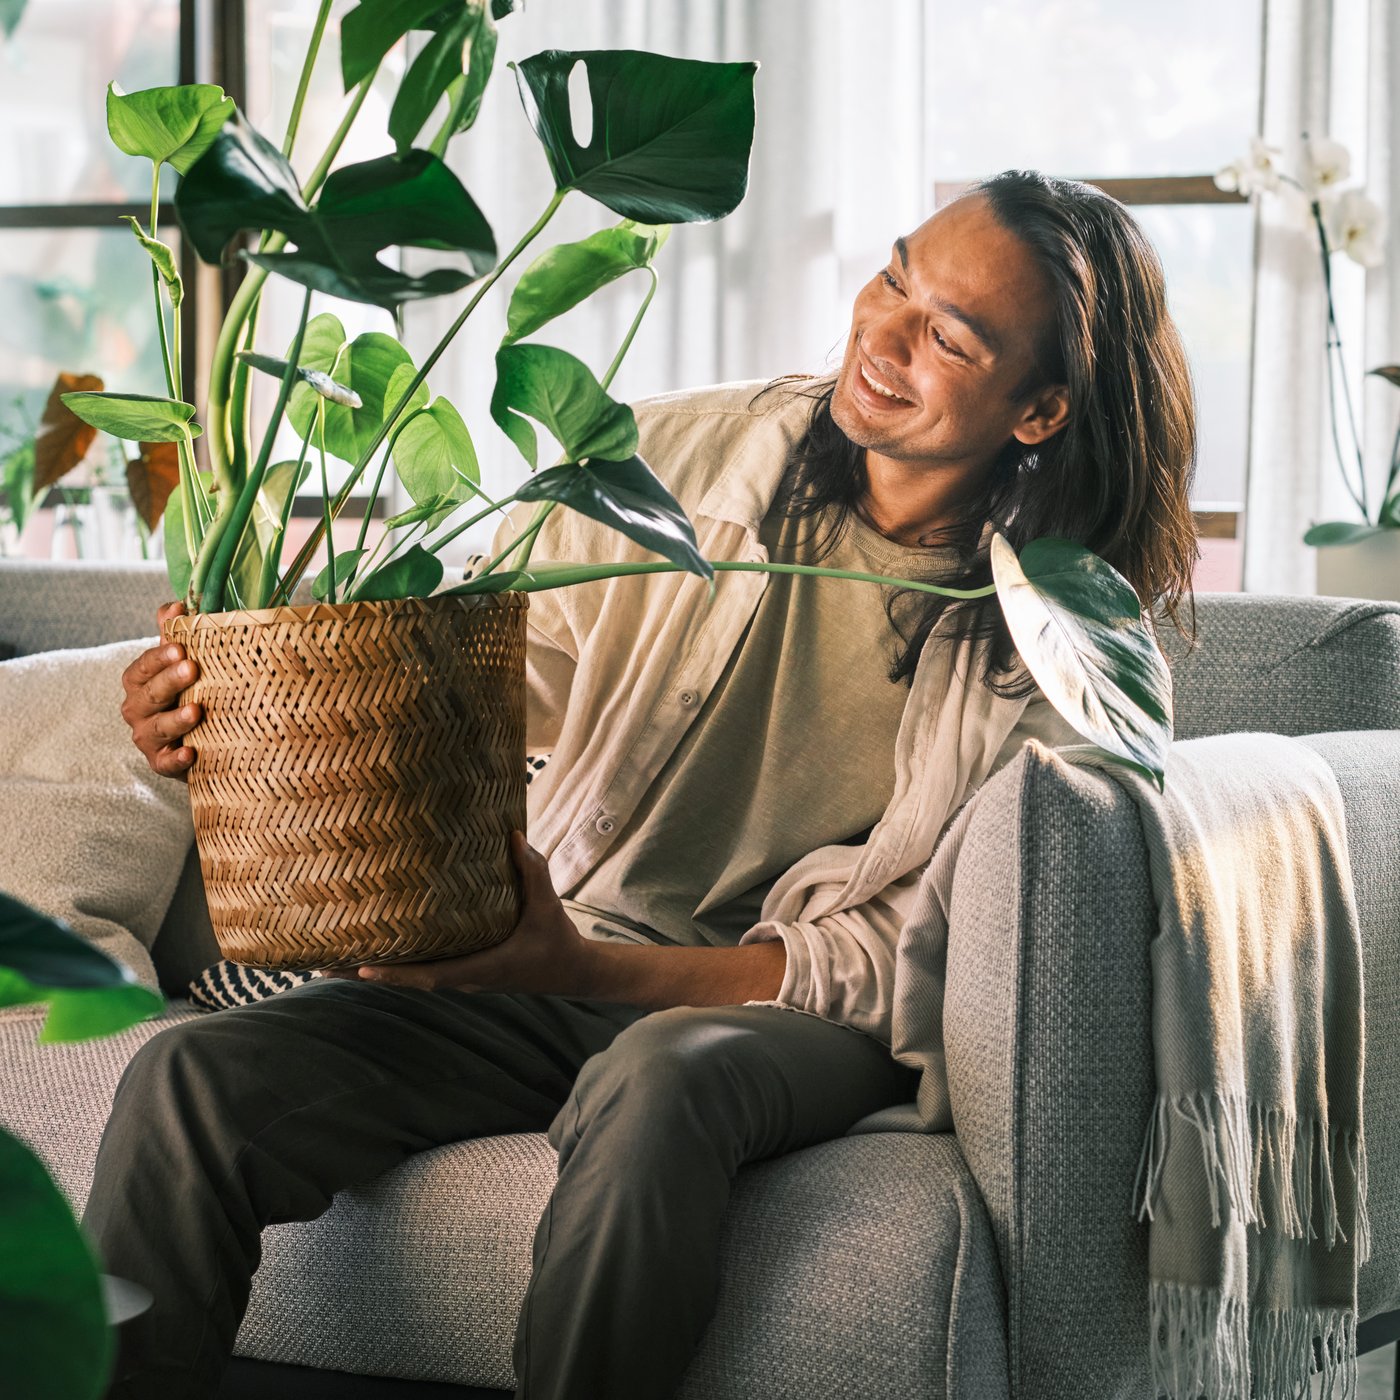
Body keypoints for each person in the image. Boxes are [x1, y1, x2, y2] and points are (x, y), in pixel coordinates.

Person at [90, 169, 1198, 1399]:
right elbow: (493, 686)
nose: (880, 335)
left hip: (793, 1018)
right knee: (188, 1077)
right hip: (561, 953)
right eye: (894, 276)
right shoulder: (674, 455)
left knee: (661, 1073)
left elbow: (906, 973)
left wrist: (586, 967)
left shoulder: (1055, 646)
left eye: (946, 334)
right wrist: (238, 719)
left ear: (1036, 411)